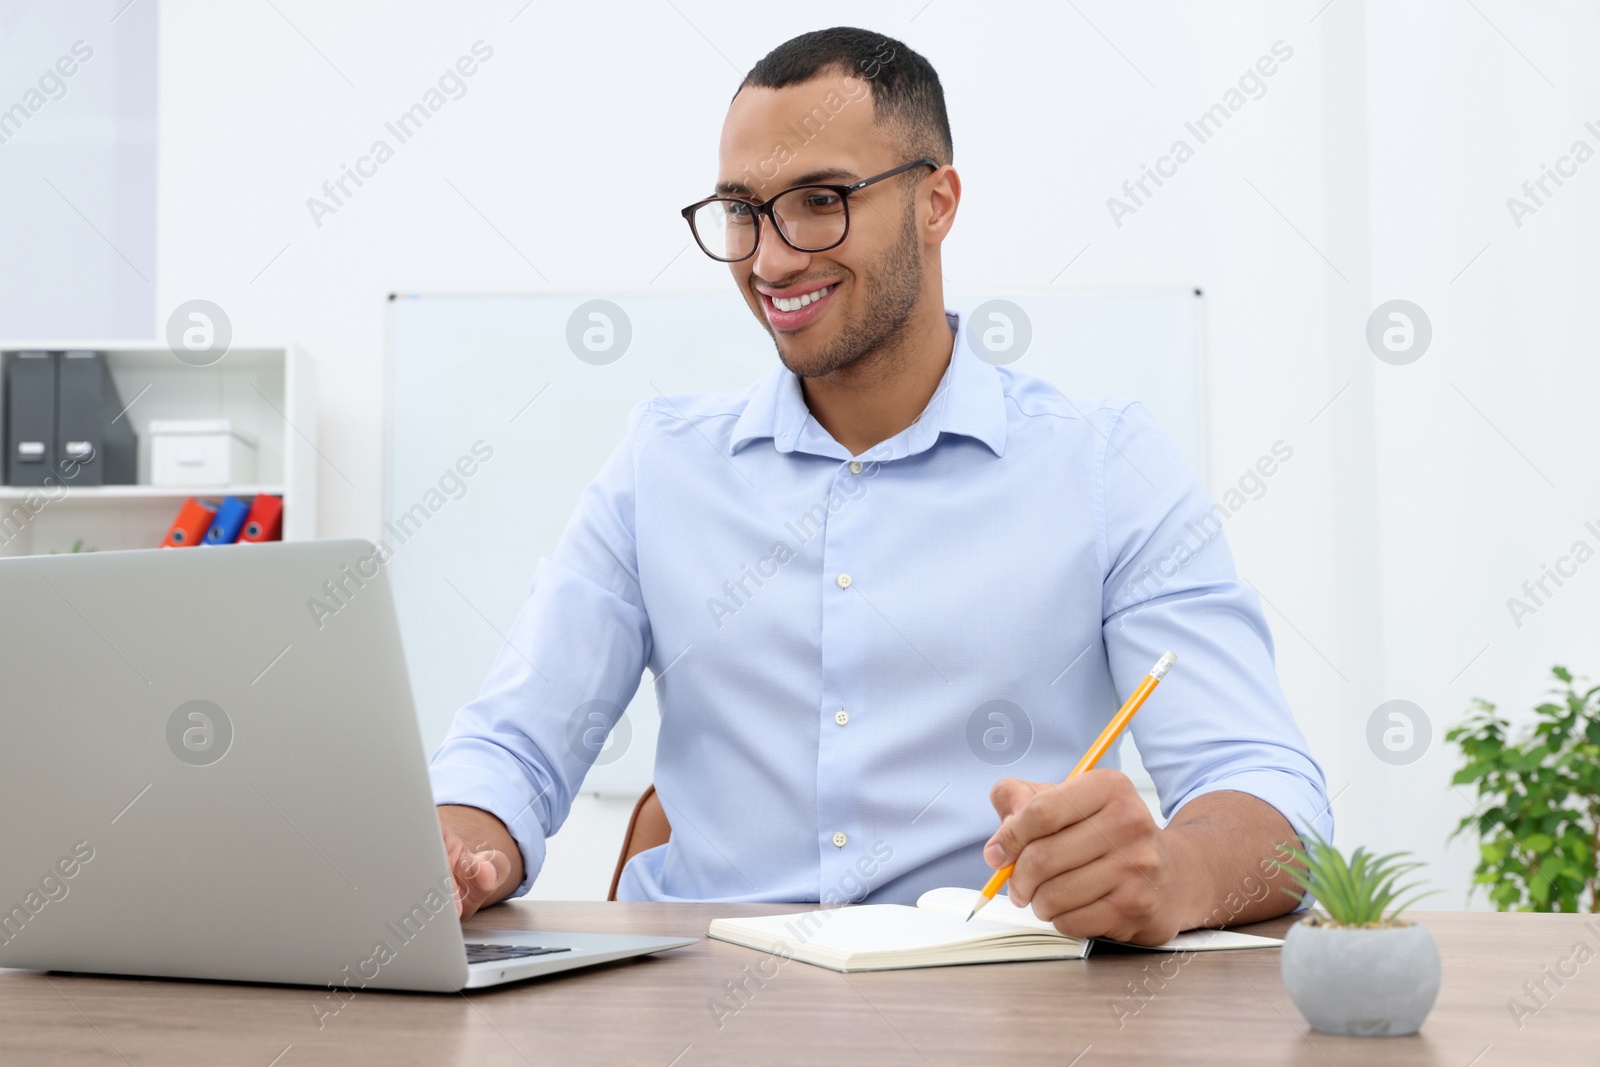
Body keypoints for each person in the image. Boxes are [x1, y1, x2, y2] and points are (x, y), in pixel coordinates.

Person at [430, 26, 1329, 945]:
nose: (771, 260)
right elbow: (511, 749)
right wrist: (461, 847)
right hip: (701, 1008)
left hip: (992, 1006)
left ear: (937, 202)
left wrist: (1175, 875)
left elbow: (1268, 788)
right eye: (743, 210)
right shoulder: (661, 466)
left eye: (821, 200)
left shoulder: (1106, 468)